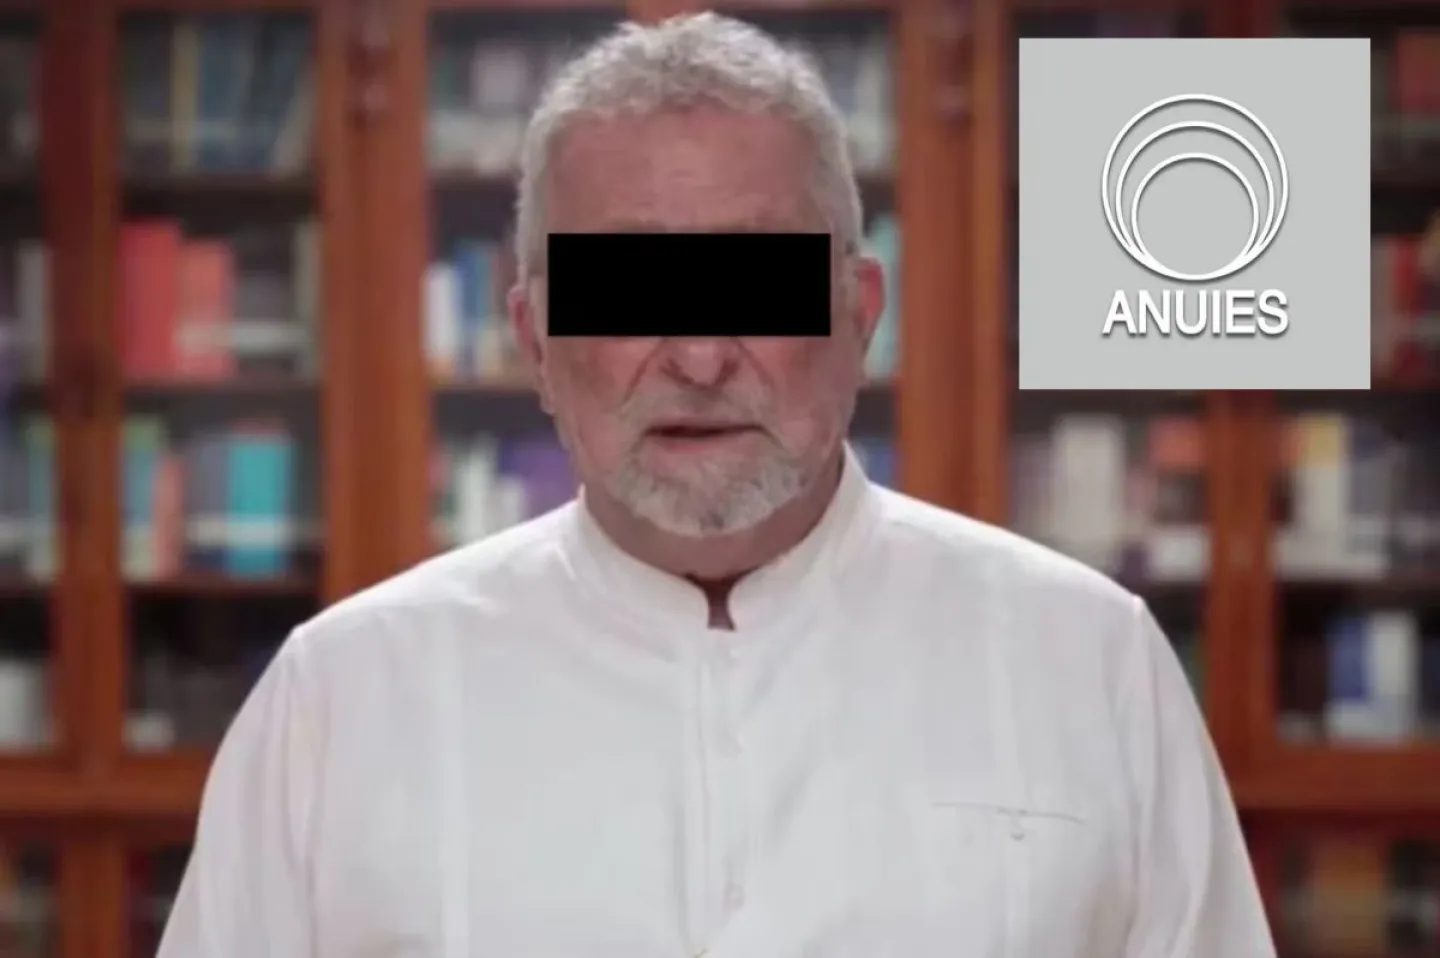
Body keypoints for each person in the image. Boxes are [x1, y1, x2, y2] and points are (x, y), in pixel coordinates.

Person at [157, 13, 1276, 957]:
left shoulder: (1088, 662)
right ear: (534, 339)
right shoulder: (343, 700)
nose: (698, 355)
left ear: (858, 315)